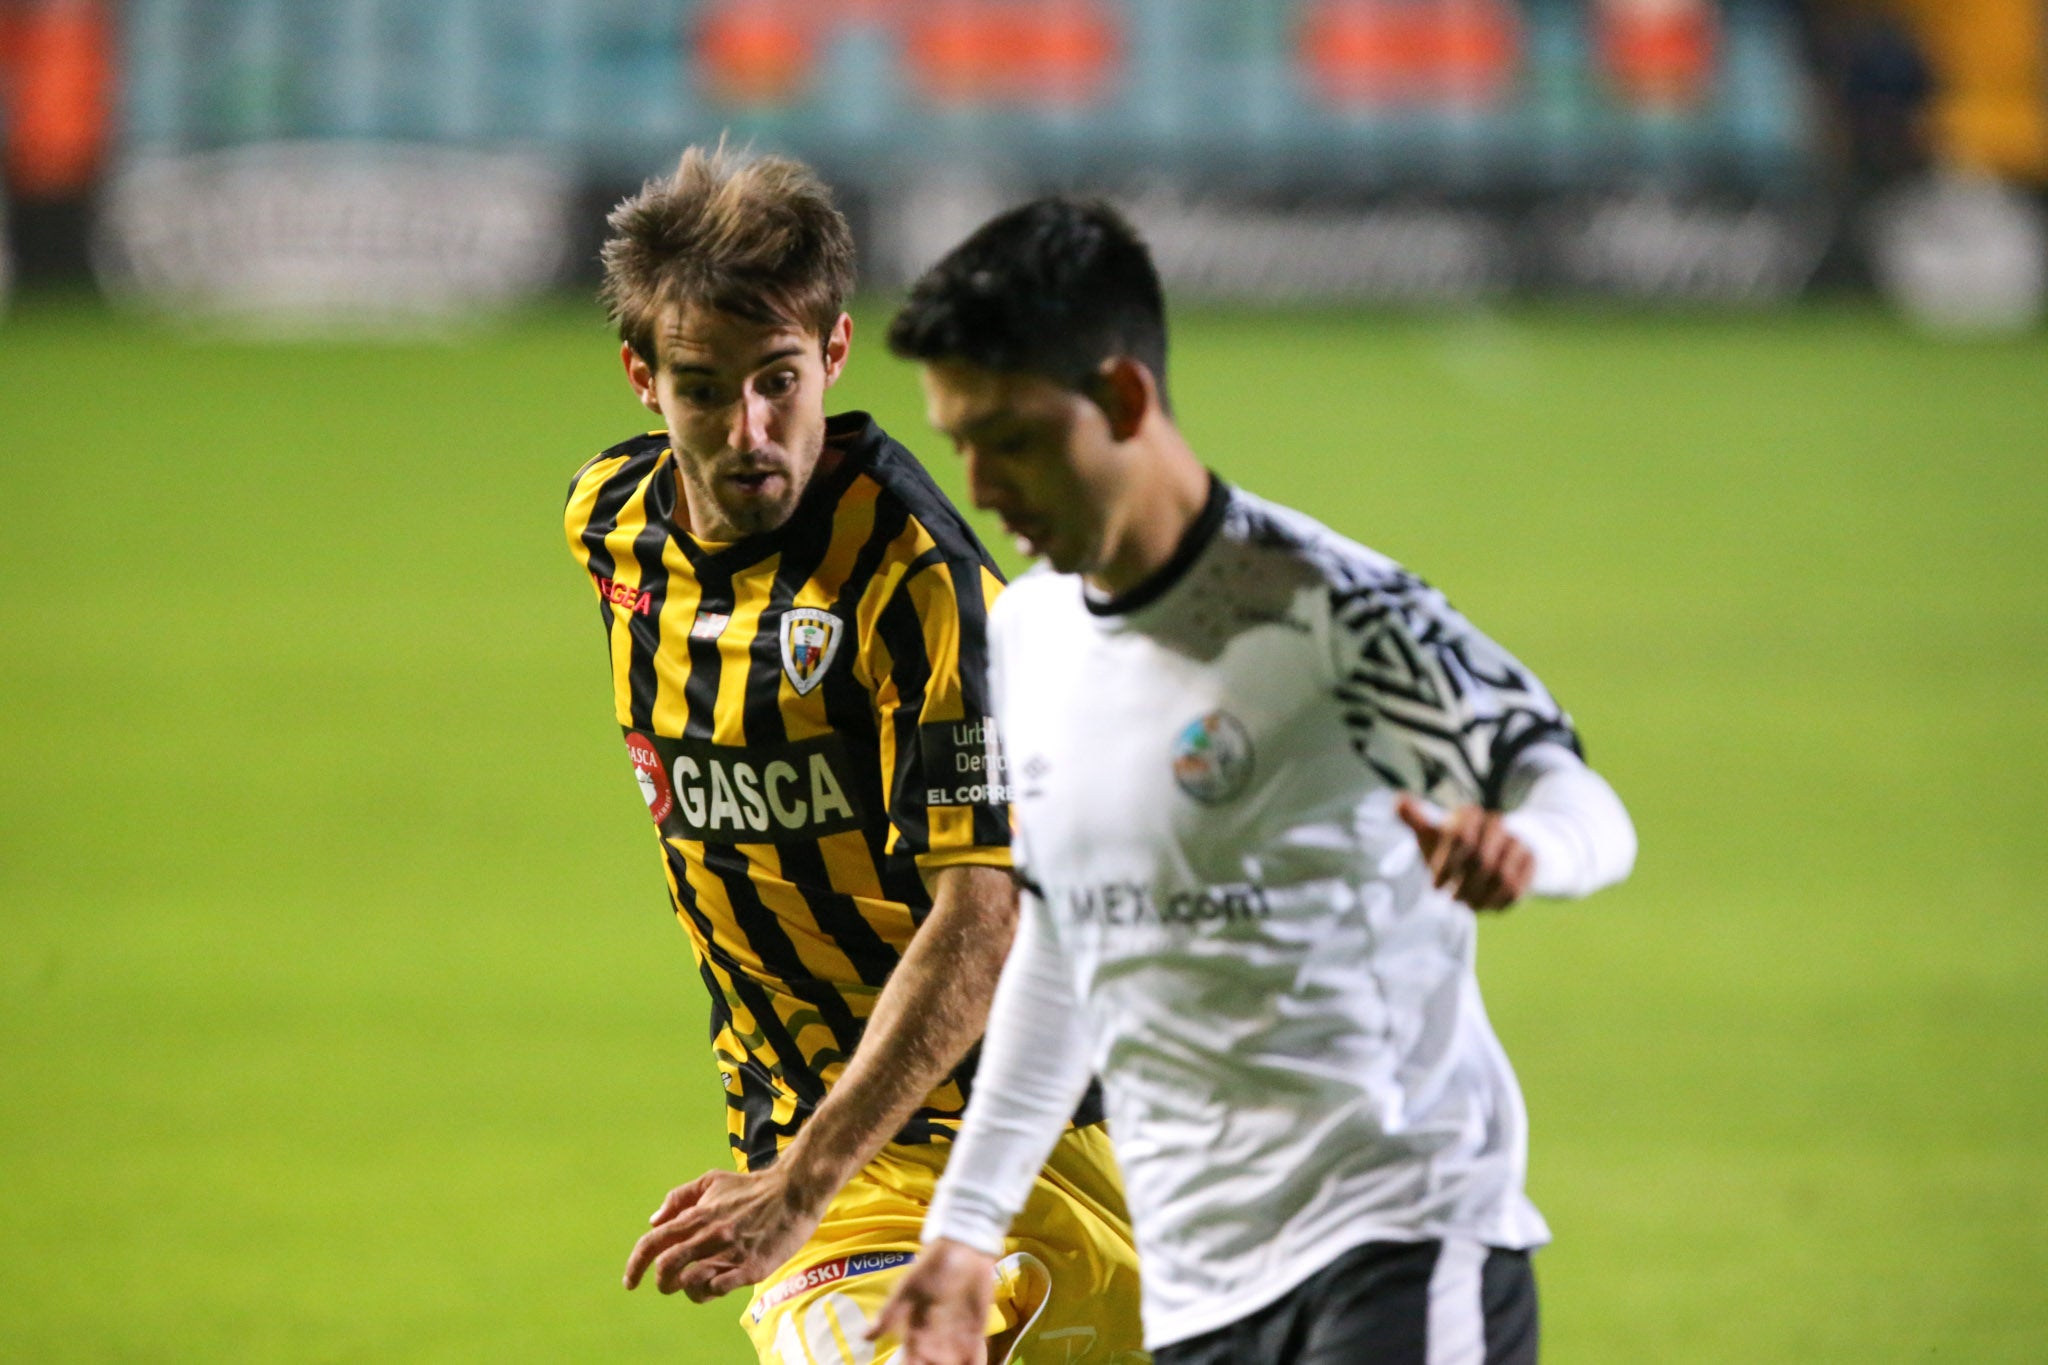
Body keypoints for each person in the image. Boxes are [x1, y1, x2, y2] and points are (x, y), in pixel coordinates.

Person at [871, 198, 1638, 1365]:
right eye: (958, 439)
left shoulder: (1326, 610)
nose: (977, 482)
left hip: (1400, 1234)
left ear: (1124, 398)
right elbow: (1067, 941)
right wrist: (966, 1225)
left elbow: (1580, 799)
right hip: (1197, 1288)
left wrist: (1531, 849)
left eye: (1013, 436)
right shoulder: (1025, 635)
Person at [562, 148, 1144, 1365]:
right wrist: (811, 1176)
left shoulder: (921, 587)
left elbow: (983, 917)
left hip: (1058, 1133)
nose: (746, 431)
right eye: (699, 387)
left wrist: (792, 1187)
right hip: (846, 1169)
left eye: (776, 380)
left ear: (832, 354)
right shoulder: (609, 526)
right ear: (639, 377)